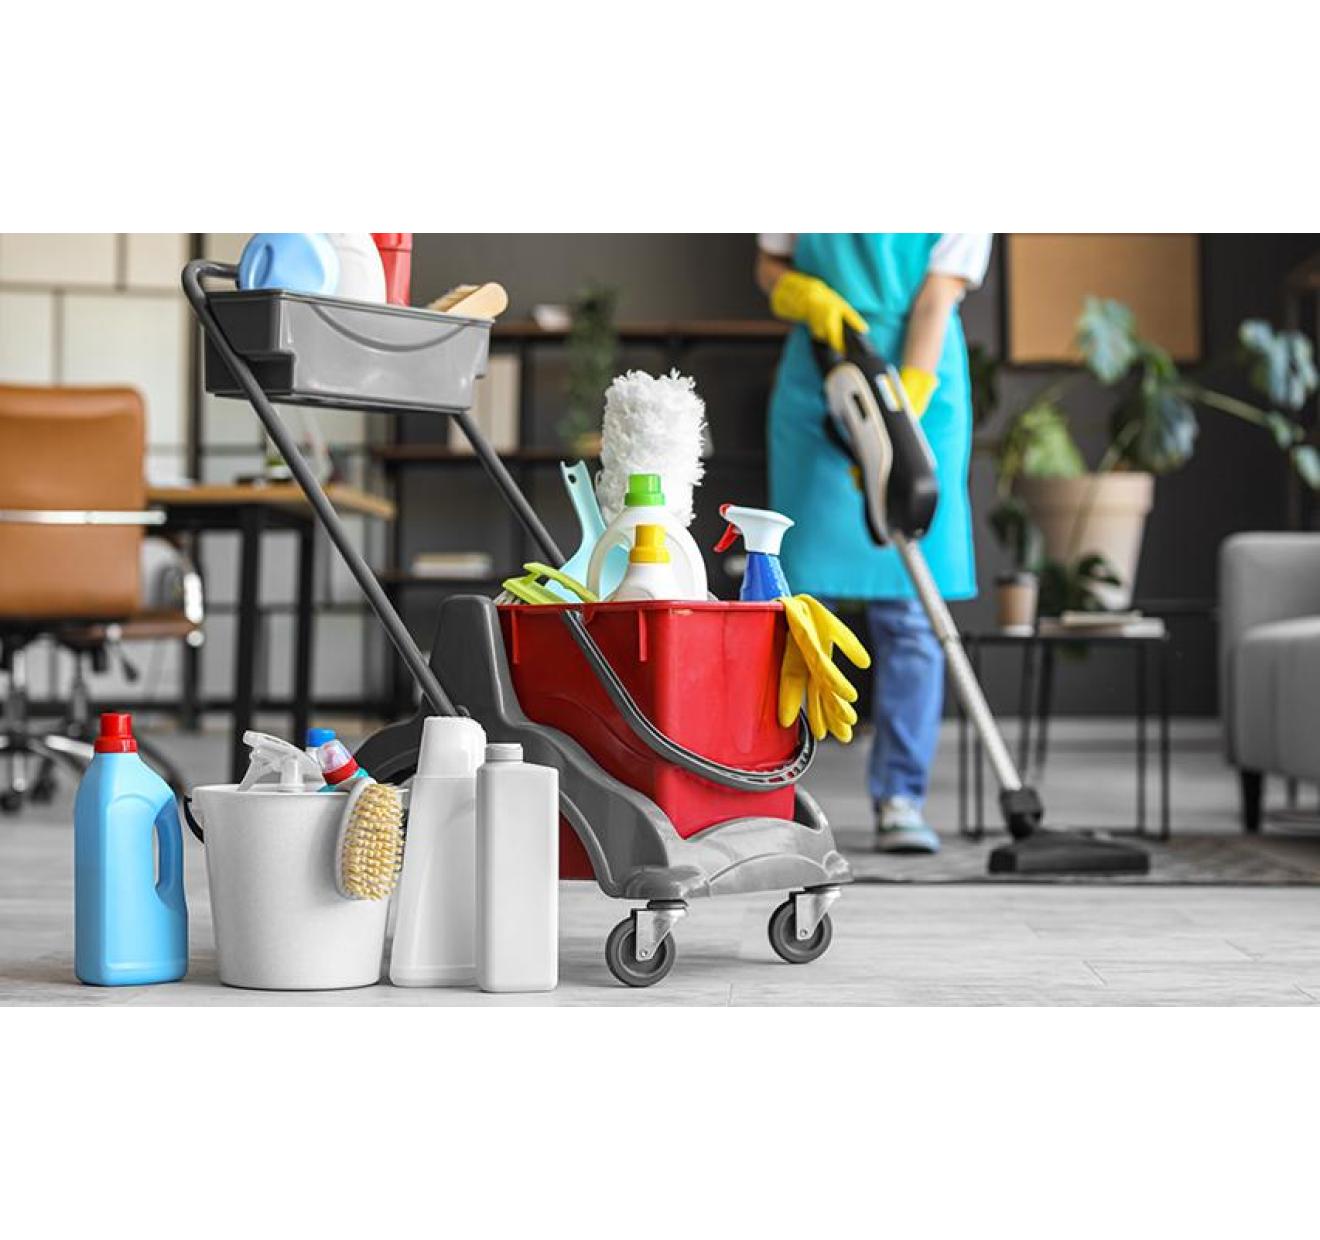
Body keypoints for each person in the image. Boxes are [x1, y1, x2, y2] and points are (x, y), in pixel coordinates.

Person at [757, 233, 991, 854]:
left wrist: (899, 412)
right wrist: (799, 293)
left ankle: (900, 798)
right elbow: (770, 263)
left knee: (910, 612)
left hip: (918, 375)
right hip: (821, 372)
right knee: (793, 610)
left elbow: (938, 295)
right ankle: (769, 792)